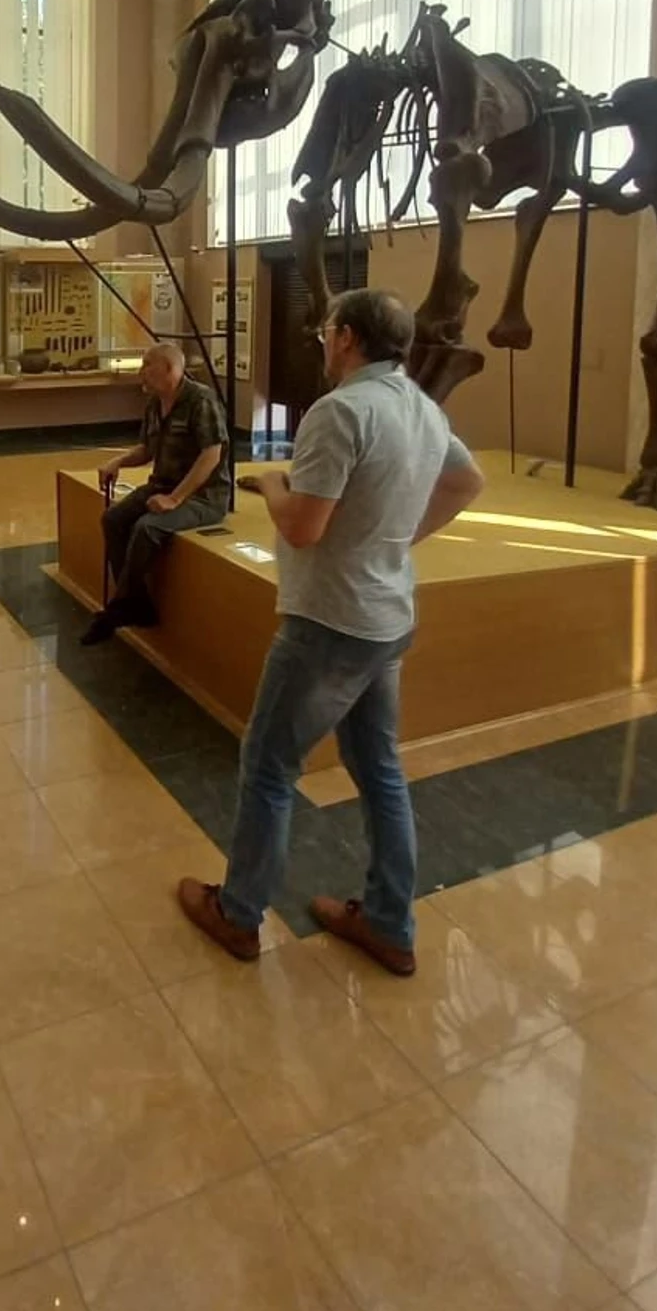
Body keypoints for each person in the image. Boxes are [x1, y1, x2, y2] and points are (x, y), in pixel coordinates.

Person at [178, 288, 485, 977]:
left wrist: (272, 484)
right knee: (379, 770)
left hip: (329, 623)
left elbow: (302, 527)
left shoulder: (340, 411)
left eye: (327, 330)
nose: (322, 341)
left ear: (346, 337)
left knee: (268, 767)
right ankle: (388, 923)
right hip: (386, 618)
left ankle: (239, 913)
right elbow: (469, 481)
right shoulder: (422, 409)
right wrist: (396, 541)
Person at [81, 342, 231, 645]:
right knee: (113, 519)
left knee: (147, 528)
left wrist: (175, 499)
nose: (141, 372)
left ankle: (120, 607)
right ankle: (137, 604)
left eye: (148, 365)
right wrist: (119, 461)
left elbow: (211, 454)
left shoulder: (201, 400)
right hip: (161, 484)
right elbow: (147, 450)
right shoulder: (154, 404)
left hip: (203, 496)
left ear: (170, 369)